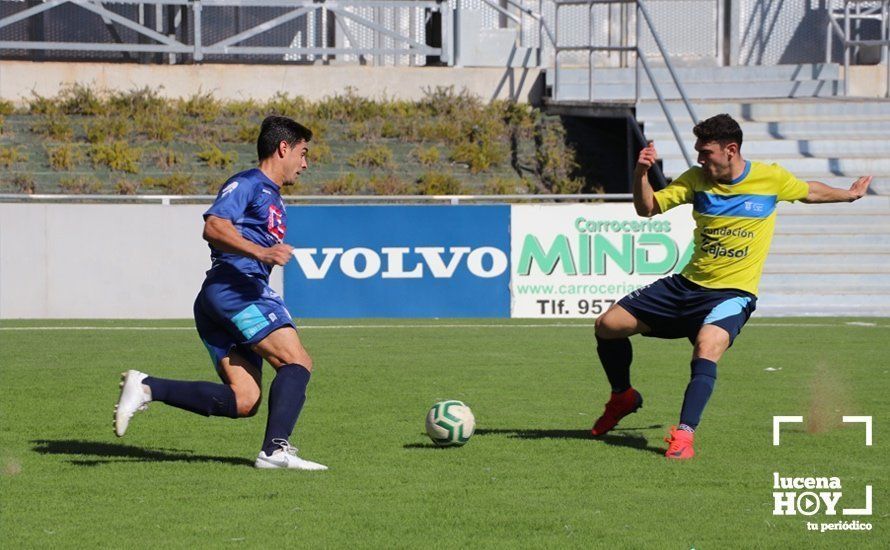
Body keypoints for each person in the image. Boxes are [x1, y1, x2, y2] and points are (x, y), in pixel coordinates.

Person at [591, 113, 871, 459]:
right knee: (607, 326)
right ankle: (623, 396)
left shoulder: (770, 178)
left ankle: (684, 435)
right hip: (686, 285)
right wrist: (641, 173)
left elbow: (809, 191)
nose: (699, 158)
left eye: (705, 151)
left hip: (732, 294)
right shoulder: (695, 180)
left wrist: (848, 195)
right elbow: (647, 208)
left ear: (731, 150)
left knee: (706, 348)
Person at [114, 115, 326, 470]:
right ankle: (275, 450)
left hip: (227, 295)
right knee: (297, 361)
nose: (305, 164)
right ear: (283, 148)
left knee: (245, 400)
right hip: (236, 289)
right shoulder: (248, 184)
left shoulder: (272, 196)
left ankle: (148, 387)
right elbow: (213, 226)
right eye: (303, 153)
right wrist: (260, 252)